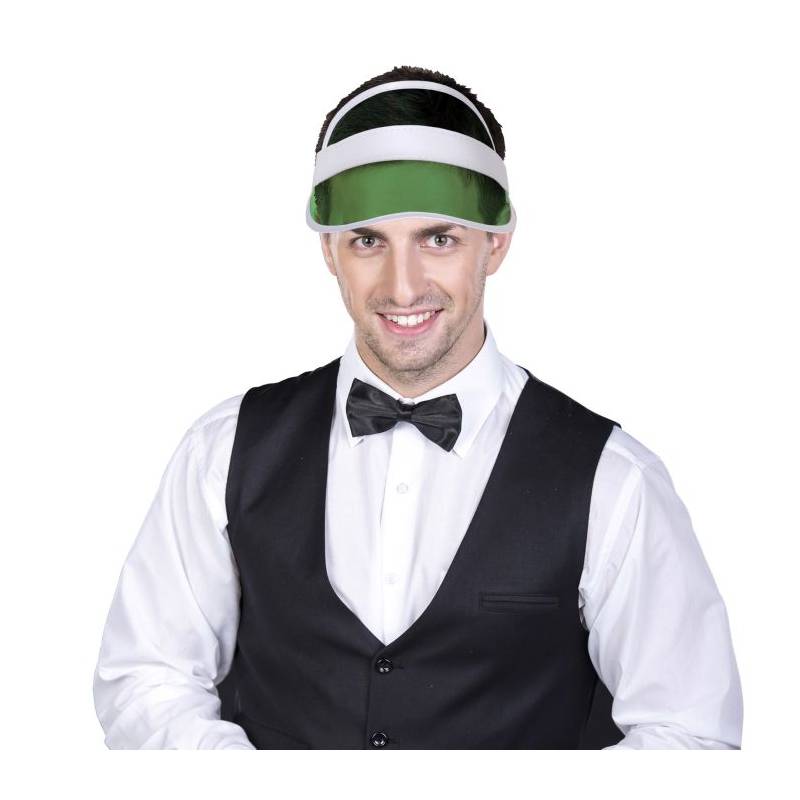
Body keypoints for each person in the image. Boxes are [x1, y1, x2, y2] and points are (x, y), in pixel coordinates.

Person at [92, 65, 743, 749]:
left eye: (439, 239)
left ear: (496, 242)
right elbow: (146, 677)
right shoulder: (224, 450)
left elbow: (689, 733)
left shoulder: (614, 479)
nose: (402, 288)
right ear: (329, 250)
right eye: (368, 241)